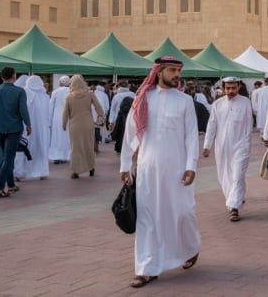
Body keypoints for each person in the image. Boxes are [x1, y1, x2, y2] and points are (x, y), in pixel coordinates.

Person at [119, 56, 200, 288]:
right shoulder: (144, 99)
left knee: (183, 214)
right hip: (148, 168)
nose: (177, 75)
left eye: (178, 70)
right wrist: (125, 165)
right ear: (159, 71)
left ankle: (190, 248)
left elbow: (191, 136)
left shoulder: (185, 101)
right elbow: (130, 133)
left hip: (177, 170)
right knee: (148, 217)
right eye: (172, 70)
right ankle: (146, 268)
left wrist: (191, 165)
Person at [202, 76, 254, 221]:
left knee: (237, 175)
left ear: (238, 87)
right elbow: (211, 125)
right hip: (222, 147)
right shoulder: (217, 104)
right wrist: (207, 146)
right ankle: (238, 197)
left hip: (241, 146)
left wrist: (246, 145)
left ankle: (233, 207)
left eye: (233, 88)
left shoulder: (245, 103)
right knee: (225, 176)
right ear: (223, 88)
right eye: (228, 88)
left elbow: (249, 125)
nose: (230, 91)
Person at [0, 66, 31, 198]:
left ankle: (11, 185)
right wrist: (28, 124)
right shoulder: (19, 91)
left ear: (2, 76)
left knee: (6, 157)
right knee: (9, 159)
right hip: (14, 129)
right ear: (14, 76)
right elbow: (23, 110)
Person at [63, 75, 105, 179]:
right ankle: (91, 168)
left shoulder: (69, 97)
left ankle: (75, 171)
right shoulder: (90, 94)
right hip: (88, 124)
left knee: (76, 148)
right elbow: (98, 107)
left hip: (75, 126)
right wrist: (101, 118)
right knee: (88, 146)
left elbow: (65, 113)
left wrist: (63, 124)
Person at [13, 75, 50, 180]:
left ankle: (21, 173)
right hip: (42, 129)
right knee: (41, 149)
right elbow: (48, 113)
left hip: (27, 127)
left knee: (24, 149)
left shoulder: (24, 93)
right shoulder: (45, 96)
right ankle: (42, 172)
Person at [48, 76, 71, 163]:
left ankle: (57, 156)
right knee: (67, 137)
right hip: (69, 118)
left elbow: (51, 107)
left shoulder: (55, 92)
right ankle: (66, 156)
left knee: (57, 138)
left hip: (57, 118)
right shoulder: (72, 92)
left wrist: (49, 120)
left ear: (61, 83)